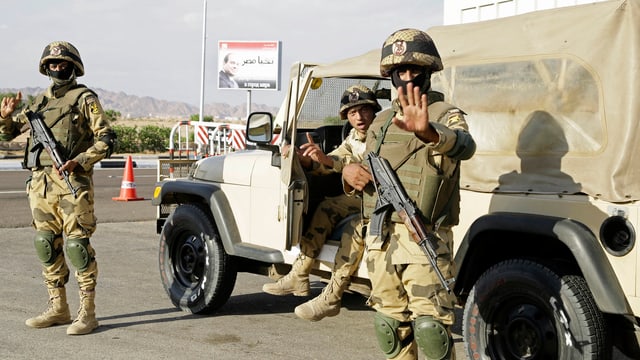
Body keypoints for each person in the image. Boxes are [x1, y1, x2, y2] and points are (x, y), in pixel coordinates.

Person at [341, 29, 476, 360]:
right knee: (389, 327)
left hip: (423, 237)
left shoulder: (445, 113)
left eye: (414, 70)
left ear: (428, 73)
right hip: (381, 240)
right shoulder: (381, 122)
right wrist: (349, 173)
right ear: (390, 76)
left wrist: (428, 131)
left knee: (431, 330)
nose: (406, 78)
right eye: (399, 72)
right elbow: (366, 167)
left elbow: (465, 146)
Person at [0, 41, 117, 336]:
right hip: (40, 185)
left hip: (71, 184)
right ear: (45, 67)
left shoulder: (84, 98)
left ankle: (87, 314)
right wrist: (5, 117)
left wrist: (80, 160)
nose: (56, 67)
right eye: (51, 63)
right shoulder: (38, 102)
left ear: (73, 66)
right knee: (45, 245)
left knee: (77, 246)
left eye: (62, 62)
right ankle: (59, 308)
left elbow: (107, 139)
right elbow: (12, 132)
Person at [262, 85, 381, 321]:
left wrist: (331, 162)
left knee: (355, 229)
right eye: (352, 112)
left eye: (364, 110)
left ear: (373, 110)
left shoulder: (383, 132)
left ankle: (333, 295)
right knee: (327, 207)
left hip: (382, 199)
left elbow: (362, 168)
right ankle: (300, 273)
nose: (359, 117)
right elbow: (337, 159)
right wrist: (310, 162)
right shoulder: (354, 136)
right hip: (362, 196)